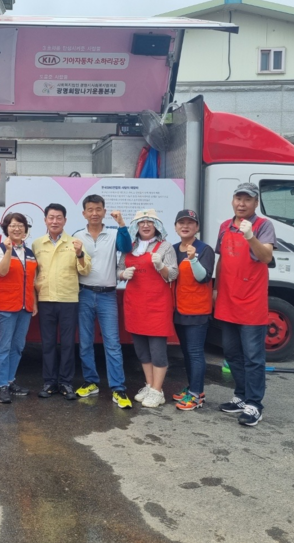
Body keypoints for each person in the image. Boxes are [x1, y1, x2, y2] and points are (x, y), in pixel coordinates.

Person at [215, 183, 276, 426]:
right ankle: (241, 396)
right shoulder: (224, 226)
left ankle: (254, 404)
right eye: (238, 198)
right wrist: (216, 289)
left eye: (247, 199)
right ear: (232, 201)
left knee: (253, 357)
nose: (242, 203)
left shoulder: (263, 226)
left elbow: (266, 256)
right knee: (231, 353)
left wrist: (250, 236)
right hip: (228, 300)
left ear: (256, 203)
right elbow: (222, 260)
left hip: (252, 301)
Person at [72, 195, 134, 408]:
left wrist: (122, 223)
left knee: (112, 343)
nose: (94, 213)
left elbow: (126, 247)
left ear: (104, 212)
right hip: (84, 293)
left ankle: (118, 388)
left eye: (98, 209)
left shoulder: (114, 233)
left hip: (107, 295)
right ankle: (91, 382)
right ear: (84, 213)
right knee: (85, 342)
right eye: (90, 210)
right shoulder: (77, 236)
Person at [117, 209, 178, 408]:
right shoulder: (129, 247)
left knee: (157, 351)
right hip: (135, 305)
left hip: (157, 306)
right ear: (136, 227)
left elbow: (173, 275)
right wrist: (122, 274)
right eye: (141, 222)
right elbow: (118, 268)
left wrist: (161, 266)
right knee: (142, 350)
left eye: (149, 222)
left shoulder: (165, 247)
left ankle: (158, 391)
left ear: (156, 226)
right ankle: (150, 385)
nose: (145, 225)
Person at [32, 203, 91, 400]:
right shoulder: (37, 244)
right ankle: (49, 382)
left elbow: (85, 270)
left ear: (65, 220)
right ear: (45, 220)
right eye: (51, 217)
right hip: (45, 299)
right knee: (48, 343)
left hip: (68, 300)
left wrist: (80, 254)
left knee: (67, 344)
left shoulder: (75, 243)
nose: (55, 221)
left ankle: (66, 383)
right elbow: (34, 273)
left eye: (59, 218)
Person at [0, 213, 38, 404]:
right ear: (6, 229)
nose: (16, 228)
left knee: (18, 347)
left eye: (20, 225)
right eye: (12, 225)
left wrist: (34, 302)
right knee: (3, 347)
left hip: (25, 306)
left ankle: (10, 381)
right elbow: (1, 271)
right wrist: (9, 251)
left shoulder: (30, 252)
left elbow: (31, 280)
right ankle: (0, 384)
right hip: (6, 306)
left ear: (25, 229)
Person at [171, 209, 215, 411]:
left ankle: (197, 395)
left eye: (190, 223)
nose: (185, 226)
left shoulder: (204, 250)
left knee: (195, 353)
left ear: (197, 227)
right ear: (175, 227)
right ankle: (192, 388)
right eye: (181, 223)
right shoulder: (173, 249)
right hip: (179, 310)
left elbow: (203, 277)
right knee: (187, 353)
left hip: (197, 311)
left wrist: (193, 259)